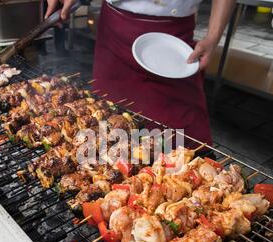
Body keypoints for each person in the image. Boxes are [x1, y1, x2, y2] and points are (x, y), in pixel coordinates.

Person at [45, 0, 236, 145]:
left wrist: (213, 37)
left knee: (185, 137)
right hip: (115, 30)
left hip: (170, 44)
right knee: (103, 128)